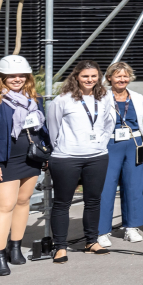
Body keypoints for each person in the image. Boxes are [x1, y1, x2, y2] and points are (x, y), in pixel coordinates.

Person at [0, 55, 46, 276]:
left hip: (30, 158)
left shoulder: (35, 99)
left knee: (23, 201)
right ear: (2, 77)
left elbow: (39, 130)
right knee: (5, 206)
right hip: (4, 160)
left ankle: (14, 247)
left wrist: (45, 153)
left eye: (21, 75)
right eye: (11, 75)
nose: (17, 79)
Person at [46, 61, 113, 262]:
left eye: (93, 76)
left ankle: (91, 241)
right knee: (62, 203)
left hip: (97, 156)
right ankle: (60, 246)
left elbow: (109, 123)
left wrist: (101, 142)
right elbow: (52, 127)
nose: (90, 80)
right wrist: (62, 147)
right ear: (76, 77)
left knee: (93, 201)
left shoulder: (104, 97)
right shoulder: (62, 100)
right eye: (85, 76)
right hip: (67, 157)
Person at [97, 61, 143, 248]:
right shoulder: (101, 97)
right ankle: (102, 231)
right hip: (110, 144)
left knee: (134, 186)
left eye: (125, 76)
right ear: (109, 78)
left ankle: (131, 227)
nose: (122, 79)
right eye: (118, 76)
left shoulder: (137, 97)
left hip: (134, 144)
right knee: (106, 187)